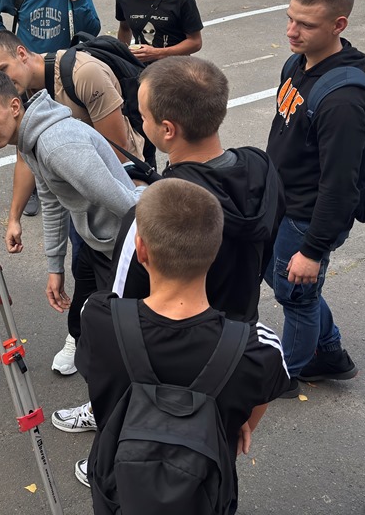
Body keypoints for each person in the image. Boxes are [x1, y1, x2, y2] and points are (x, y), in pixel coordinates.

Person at [76, 178, 292, 501]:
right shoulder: (256, 349)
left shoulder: (99, 319)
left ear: (141, 249)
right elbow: (262, 396)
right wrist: (237, 423)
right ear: (214, 251)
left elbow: (94, 376)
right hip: (201, 493)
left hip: (117, 488)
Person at [0, 68, 141, 449]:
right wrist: (55, 267)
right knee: (90, 334)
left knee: (111, 348)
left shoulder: (54, 145)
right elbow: (52, 201)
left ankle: (117, 440)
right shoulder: (32, 141)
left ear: (14, 107)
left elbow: (126, 203)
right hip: (97, 247)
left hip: (121, 250)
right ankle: (110, 414)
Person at [265, 0, 365, 397]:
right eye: (290, 18)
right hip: (281, 203)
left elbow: (340, 186)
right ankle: (328, 351)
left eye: (306, 25)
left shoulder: (345, 100)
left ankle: (284, 375)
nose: (291, 31)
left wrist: (312, 250)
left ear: (338, 25)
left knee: (297, 298)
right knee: (283, 281)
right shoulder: (297, 63)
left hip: (305, 216)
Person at [112, 56, 285, 324]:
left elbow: (121, 306)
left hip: (177, 337)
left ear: (167, 129)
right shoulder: (262, 167)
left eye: (143, 117)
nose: (141, 123)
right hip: (241, 329)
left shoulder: (156, 211)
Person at [0, 0, 102, 219]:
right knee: (25, 132)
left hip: (61, 74)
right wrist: (7, 42)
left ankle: (70, 178)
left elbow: (92, 30)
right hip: (26, 75)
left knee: (66, 129)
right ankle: (33, 187)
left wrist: (78, 0)